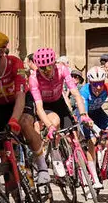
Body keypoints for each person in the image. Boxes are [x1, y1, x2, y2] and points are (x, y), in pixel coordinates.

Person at [0, 30, 51, 187]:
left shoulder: (15, 64)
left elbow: (20, 96)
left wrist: (14, 121)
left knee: (25, 123)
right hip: (2, 107)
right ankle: (14, 195)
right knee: (4, 156)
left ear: (0, 53)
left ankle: (42, 167)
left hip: (22, 100)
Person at [28, 47, 87, 178]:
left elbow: (76, 94)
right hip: (43, 105)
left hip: (58, 101)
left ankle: (81, 170)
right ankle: (55, 154)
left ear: (54, 64)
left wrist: (83, 115)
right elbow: (39, 108)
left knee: (74, 135)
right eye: (42, 68)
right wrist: (49, 126)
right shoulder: (34, 78)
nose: (46, 72)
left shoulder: (62, 69)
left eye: (49, 67)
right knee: (55, 122)